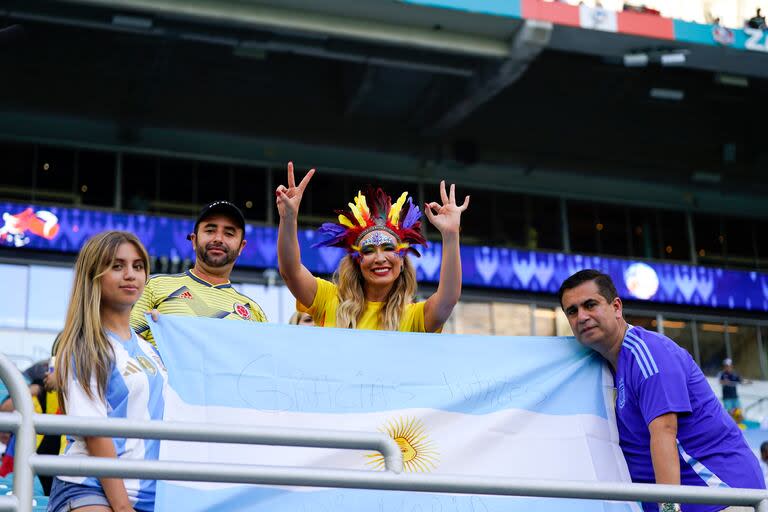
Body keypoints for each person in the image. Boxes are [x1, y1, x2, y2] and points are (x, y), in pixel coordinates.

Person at [558, 269, 764, 512]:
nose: (581, 316)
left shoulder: (648, 352)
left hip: (722, 498)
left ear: (616, 307)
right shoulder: (606, 367)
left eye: (590, 305)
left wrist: (668, 509)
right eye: (572, 311)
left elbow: (665, 432)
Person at [49, 231, 167, 512]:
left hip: (148, 495)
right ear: (95, 275)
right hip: (90, 488)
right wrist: (123, 508)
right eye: (117, 266)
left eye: (138, 266)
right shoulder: (85, 345)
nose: (130, 275)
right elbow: (95, 434)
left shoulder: (150, 349)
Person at [276, 162, 469, 332]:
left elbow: (448, 298)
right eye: (368, 251)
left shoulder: (414, 317)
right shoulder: (329, 300)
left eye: (388, 248)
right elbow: (291, 272)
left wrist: (451, 234)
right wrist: (288, 218)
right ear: (357, 261)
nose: (379, 258)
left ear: (402, 260)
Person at [131, 200, 267, 346]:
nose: (218, 239)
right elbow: (123, 345)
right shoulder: (153, 286)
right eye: (210, 231)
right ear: (194, 240)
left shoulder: (254, 312)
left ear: (241, 247)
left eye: (228, 233)